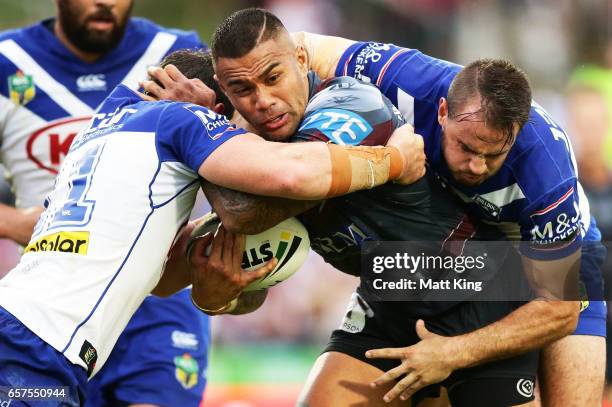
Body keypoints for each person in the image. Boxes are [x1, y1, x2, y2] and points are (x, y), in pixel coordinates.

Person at [142, 8, 580, 405]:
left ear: (300, 61)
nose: (262, 101)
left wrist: (198, 140)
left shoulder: (348, 104)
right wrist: (216, 297)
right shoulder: (258, 155)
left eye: (272, 78)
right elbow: (201, 281)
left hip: (477, 288)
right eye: (241, 89)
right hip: (388, 296)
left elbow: (251, 207)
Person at [0, 44, 421, 406]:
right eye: (239, 112)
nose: (257, 117)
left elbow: (161, 278)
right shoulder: (181, 121)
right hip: (36, 346)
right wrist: (394, 161)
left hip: (26, 330)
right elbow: (276, 187)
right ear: (218, 112)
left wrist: (213, 296)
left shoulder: (98, 137)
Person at [0, 1, 216, 405]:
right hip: (54, 307)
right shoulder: (6, 62)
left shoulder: (178, 55)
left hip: (160, 302)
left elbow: (236, 160)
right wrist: (12, 222)